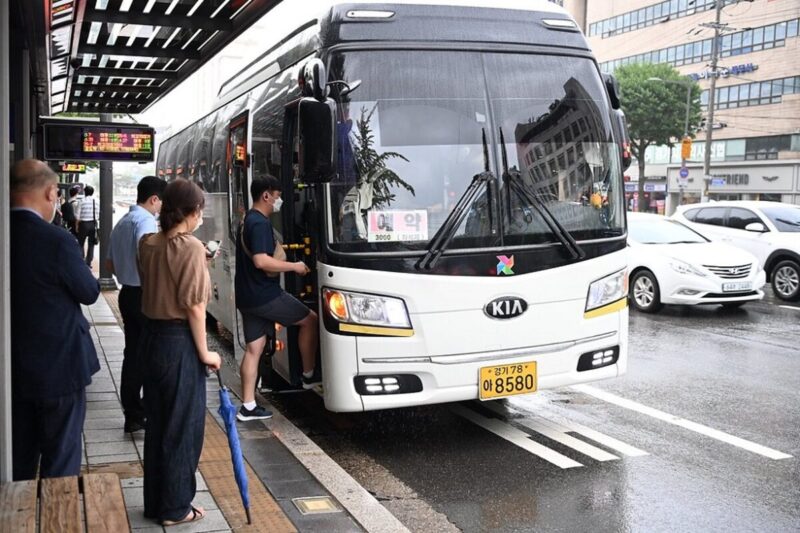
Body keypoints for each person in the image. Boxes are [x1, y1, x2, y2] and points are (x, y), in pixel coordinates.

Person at [9, 159, 101, 480]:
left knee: (17, 459)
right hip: (59, 369)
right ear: (51, 193)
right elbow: (89, 292)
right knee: (61, 459)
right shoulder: (56, 240)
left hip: (12, 372)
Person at [138, 178, 221, 526]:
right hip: (178, 343)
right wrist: (206, 353)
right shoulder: (188, 248)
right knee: (183, 428)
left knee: (158, 424)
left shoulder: (148, 243)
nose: (202, 216)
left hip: (151, 339)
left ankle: (157, 502)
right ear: (191, 211)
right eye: (200, 209)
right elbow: (195, 308)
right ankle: (175, 508)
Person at [235, 176, 319, 421]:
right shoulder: (259, 223)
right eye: (277, 195)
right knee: (309, 320)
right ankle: (308, 374)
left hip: (247, 296)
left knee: (255, 349)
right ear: (266, 196)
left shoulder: (246, 220)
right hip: (266, 296)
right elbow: (261, 261)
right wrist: (294, 267)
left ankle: (248, 406)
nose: (279, 200)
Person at [106, 176, 167, 433]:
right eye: (162, 202)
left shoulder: (122, 222)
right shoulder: (145, 221)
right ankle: (142, 412)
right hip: (143, 295)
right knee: (151, 354)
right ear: (154, 199)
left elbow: (108, 265)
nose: (162, 208)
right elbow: (148, 257)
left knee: (133, 354)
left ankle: (133, 412)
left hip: (126, 294)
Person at [77, 184, 99, 266]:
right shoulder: (96, 201)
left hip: (83, 224)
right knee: (91, 244)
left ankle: (80, 259)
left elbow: (77, 215)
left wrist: (76, 225)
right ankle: (88, 261)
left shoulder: (81, 201)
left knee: (80, 243)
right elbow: (98, 214)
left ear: (84, 192)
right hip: (93, 224)